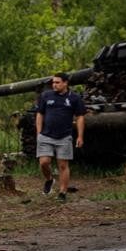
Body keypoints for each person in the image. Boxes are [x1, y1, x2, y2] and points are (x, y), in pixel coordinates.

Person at [35, 72, 86, 202]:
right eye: (53, 82)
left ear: (65, 83)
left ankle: (62, 192)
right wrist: (39, 132)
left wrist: (80, 136)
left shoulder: (74, 98)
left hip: (64, 136)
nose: (54, 85)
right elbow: (40, 114)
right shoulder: (46, 95)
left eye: (57, 82)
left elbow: (80, 117)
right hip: (46, 135)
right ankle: (49, 180)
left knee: (63, 165)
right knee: (44, 162)